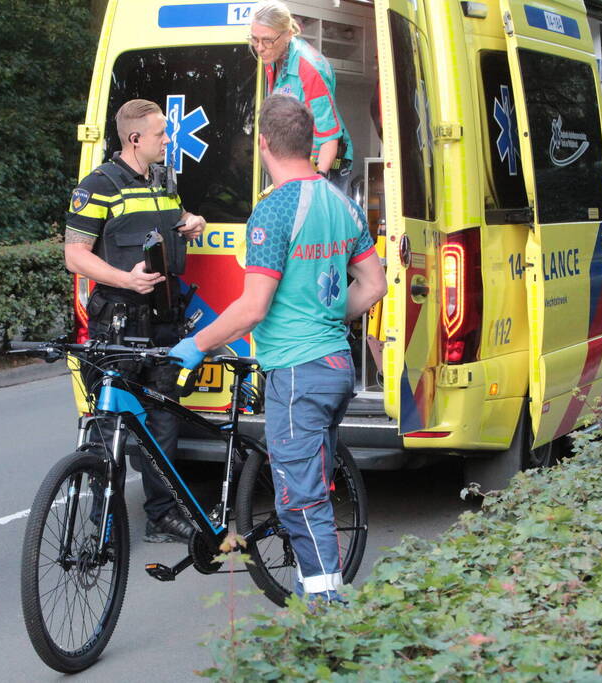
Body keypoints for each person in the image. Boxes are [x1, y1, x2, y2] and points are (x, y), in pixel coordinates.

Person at [170, 95, 386, 602]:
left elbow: (253, 308)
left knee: (300, 503)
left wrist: (196, 344)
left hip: (297, 371)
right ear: (310, 142)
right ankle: (325, 599)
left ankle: (326, 612)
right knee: (314, 488)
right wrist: (330, 316)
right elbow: (373, 285)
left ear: (263, 143)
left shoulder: (274, 208)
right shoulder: (342, 203)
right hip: (335, 367)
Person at [64, 99, 206, 544]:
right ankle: (102, 525)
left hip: (164, 321)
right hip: (119, 325)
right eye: (162, 134)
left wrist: (193, 221)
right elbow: (75, 255)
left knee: (163, 423)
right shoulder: (99, 186)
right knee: (111, 428)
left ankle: (162, 515)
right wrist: (124, 278)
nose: (169, 140)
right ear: (134, 139)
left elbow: (177, 219)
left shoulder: (164, 182)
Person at [250, 0, 354, 192]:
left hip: (327, 162)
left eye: (267, 40)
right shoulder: (273, 56)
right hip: (297, 163)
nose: (260, 48)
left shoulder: (310, 70)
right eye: (254, 39)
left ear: (288, 34)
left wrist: (317, 183)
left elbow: (330, 139)